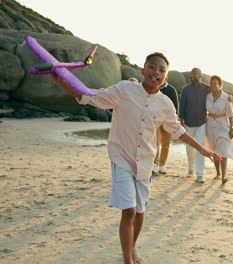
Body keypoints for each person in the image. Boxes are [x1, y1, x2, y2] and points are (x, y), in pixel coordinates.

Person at [50, 52, 220, 264]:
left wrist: (203, 150)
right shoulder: (124, 89)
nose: (155, 72)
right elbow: (92, 96)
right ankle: (127, 259)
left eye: (161, 70)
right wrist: (62, 83)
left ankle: (132, 248)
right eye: (152, 67)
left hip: (146, 161)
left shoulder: (166, 104)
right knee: (129, 210)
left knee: (140, 212)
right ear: (142, 70)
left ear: (166, 79)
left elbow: (177, 130)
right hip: (121, 157)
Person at [178, 68, 210, 183]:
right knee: (189, 148)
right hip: (188, 123)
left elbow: (217, 91)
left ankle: (200, 174)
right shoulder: (185, 89)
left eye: (195, 75)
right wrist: (181, 121)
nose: (192, 76)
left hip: (201, 123)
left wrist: (228, 97)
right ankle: (191, 169)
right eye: (191, 74)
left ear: (200, 75)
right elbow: (182, 106)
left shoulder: (206, 88)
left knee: (200, 147)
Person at [205, 75, 233, 184]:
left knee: (223, 152)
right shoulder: (207, 96)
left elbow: (231, 114)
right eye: (211, 83)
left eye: (215, 84)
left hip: (223, 126)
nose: (213, 86)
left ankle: (224, 176)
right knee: (214, 150)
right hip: (210, 126)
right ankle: (217, 172)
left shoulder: (227, 97)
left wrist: (232, 128)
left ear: (220, 85)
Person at [152, 81, 179, 175]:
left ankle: (162, 165)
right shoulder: (154, 87)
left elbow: (175, 106)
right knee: (155, 143)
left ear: (166, 78)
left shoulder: (171, 90)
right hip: (156, 121)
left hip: (167, 121)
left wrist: (174, 121)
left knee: (166, 144)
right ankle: (154, 164)